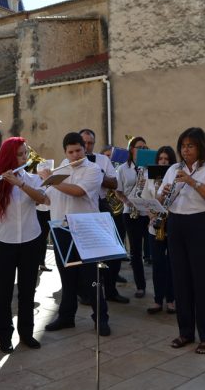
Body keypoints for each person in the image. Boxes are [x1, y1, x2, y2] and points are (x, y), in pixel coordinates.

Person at [159, 127, 205, 355]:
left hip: (202, 225)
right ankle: (185, 332)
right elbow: (161, 198)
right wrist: (164, 192)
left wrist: (192, 182)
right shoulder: (172, 169)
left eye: (190, 145)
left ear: (200, 147)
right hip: (177, 224)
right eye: (183, 146)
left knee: (203, 281)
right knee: (181, 281)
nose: (185, 150)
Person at [0, 137, 50, 353]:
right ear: (9, 156)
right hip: (4, 242)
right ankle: (4, 336)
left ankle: (27, 333)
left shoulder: (33, 178)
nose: (24, 158)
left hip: (31, 240)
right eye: (19, 155)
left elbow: (43, 200)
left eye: (25, 154)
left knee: (28, 290)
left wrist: (20, 183)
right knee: (3, 292)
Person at [40, 132, 111, 336]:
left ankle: (101, 318)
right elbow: (48, 199)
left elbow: (78, 191)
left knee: (93, 278)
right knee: (67, 278)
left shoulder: (94, 169)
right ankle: (66, 317)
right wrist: (40, 184)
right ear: (65, 152)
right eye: (70, 152)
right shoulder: (60, 168)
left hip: (86, 228)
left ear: (84, 149)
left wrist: (51, 180)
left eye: (79, 150)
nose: (75, 155)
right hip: (61, 228)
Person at [79, 128, 128, 304]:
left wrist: (96, 173)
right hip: (81, 206)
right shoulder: (72, 161)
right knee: (86, 254)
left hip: (101, 203)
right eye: (83, 142)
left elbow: (114, 182)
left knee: (113, 251)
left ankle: (111, 290)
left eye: (90, 142)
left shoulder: (102, 160)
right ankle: (86, 293)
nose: (87, 146)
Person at [141, 146, 176, 315]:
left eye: (167, 159)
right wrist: (151, 216)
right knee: (158, 265)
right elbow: (146, 202)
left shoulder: (175, 178)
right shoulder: (150, 179)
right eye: (161, 159)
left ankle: (171, 300)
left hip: (172, 225)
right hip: (155, 227)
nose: (163, 162)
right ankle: (157, 300)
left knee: (172, 265)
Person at [115, 136, 149, 298]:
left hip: (148, 212)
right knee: (135, 251)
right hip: (131, 213)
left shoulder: (149, 167)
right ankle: (140, 286)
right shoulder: (123, 168)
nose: (142, 150)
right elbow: (118, 191)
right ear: (131, 149)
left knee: (152, 250)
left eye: (144, 147)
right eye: (138, 147)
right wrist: (127, 202)